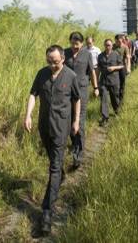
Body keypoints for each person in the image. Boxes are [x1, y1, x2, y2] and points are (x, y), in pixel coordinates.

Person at [24, 45, 81, 235]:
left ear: (62, 59)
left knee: (54, 166)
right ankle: (60, 177)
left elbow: (76, 99)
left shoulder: (70, 76)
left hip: (61, 128)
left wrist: (76, 121)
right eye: (49, 61)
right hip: (44, 127)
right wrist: (28, 115)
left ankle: (47, 211)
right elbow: (33, 94)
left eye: (55, 62)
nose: (52, 65)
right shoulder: (42, 74)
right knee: (53, 162)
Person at [64, 32, 99, 169]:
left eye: (77, 44)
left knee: (80, 121)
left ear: (82, 44)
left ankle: (79, 153)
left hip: (82, 91)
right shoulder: (64, 53)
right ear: (70, 41)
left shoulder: (87, 54)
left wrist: (95, 87)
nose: (75, 46)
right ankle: (74, 143)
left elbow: (91, 72)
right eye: (73, 43)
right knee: (70, 119)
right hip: (67, 91)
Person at [97, 39, 123, 126]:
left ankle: (117, 111)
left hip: (114, 80)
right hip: (103, 81)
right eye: (106, 45)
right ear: (104, 45)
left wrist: (114, 68)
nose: (107, 47)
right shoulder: (100, 56)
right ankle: (105, 118)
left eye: (109, 45)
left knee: (114, 98)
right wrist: (96, 80)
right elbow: (99, 68)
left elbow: (122, 65)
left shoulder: (116, 54)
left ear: (112, 46)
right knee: (104, 99)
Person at [113, 34, 130, 101]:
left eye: (120, 41)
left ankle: (121, 100)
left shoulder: (125, 47)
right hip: (114, 68)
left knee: (122, 84)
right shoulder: (113, 47)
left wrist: (128, 67)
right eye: (118, 42)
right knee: (115, 84)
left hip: (122, 68)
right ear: (115, 41)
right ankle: (116, 98)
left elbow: (128, 58)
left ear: (122, 40)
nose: (119, 43)